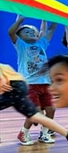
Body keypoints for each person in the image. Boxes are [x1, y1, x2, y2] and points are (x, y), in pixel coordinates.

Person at [8, 15, 58, 145]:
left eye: (33, 31)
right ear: (19, 36)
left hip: (45, 84)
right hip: (29, 85)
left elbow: (51, 28)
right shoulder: (21, 45)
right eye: (26, 31)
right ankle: (23, 133)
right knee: (35, 112)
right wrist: (21, 19)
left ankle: (45, 133)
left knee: (51, 110)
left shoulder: (41, 43)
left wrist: (53, 15)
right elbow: (10, 32)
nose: (31, 32)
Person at [0, 64, 68, 148]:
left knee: (38, 115)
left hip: (12, 85)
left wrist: (2, 79)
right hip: (20, 84)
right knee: (36, 116)